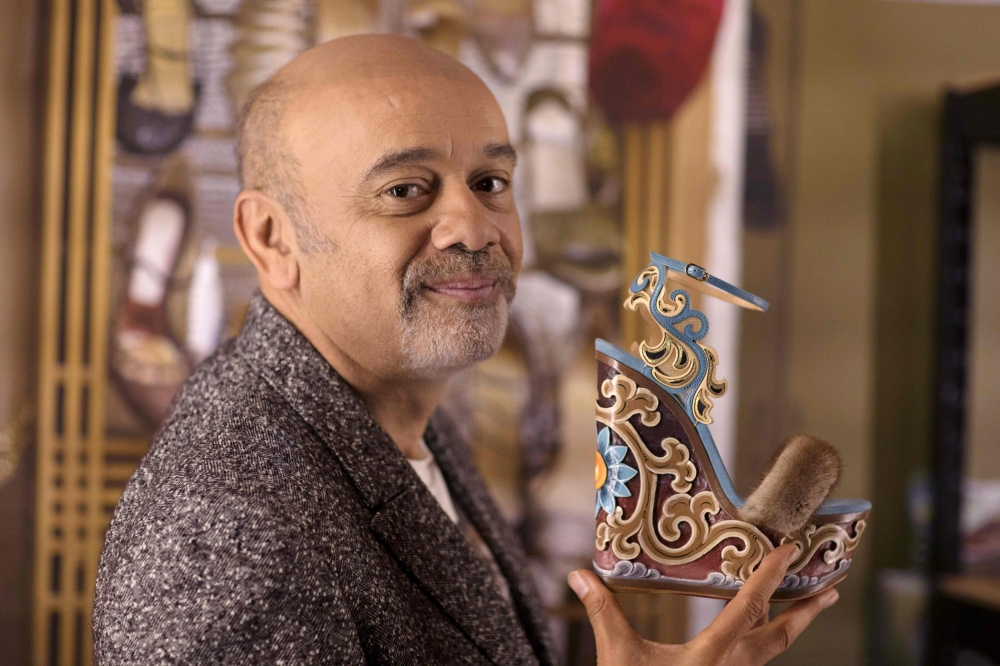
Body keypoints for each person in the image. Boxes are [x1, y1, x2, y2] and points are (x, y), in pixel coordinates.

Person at [93, 34, 839, 665]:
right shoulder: (225, 541)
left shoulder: (401, 415)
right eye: (405, 190)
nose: (475, 228)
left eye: (490, 182)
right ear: (270, 238)